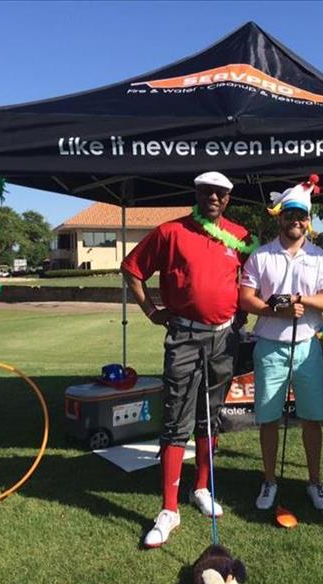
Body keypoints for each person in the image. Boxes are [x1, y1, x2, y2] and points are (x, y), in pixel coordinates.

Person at [121, 171, 257, 548]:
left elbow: (249, 282)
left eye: (221, 193)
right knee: (176, 415)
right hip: (184, 335)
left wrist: (242, 317)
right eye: (207, 192)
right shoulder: (170, 232)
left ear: (229, 198)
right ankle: (169, 508)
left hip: (225, 338)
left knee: (210, 415)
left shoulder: (242, 237)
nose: (213, 197)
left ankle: (201, 488)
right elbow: (132, 270)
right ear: (195, 194)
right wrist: (150, 310)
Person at [239, 175, 323, 511]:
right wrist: (276, 310)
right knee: (268, 418)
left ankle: (315, 482)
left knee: (312, 418)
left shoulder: (321, 257)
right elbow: (245, 299)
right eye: (290, 215)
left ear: (308, 221)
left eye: (302, 216)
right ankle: (269, 481)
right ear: (279, 216)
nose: (295, 221)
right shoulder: (260, 256)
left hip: (307, 346)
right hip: (269, 345)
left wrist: (301, 301)